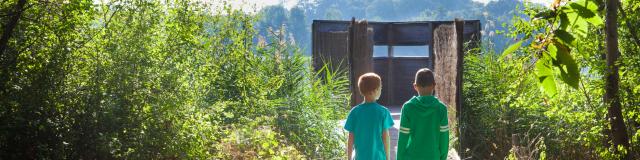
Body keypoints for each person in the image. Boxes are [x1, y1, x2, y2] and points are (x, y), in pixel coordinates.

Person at [397, 68, 449, 160]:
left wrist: (400, 158)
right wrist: (442, 157)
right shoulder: (441, 108)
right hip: (433, 156)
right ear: (434, 86)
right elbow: (444, 138)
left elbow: (403, 137)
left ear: (415, 86)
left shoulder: (408, 107)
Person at [344, 72, 394, 160]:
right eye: (380, 88)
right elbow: (386, 138)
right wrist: (387, 158)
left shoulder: (355, 112)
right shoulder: (383, 112)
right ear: (374, 91)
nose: (381, 90)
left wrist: (348, 158)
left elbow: (350, 138)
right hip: (378, 157)